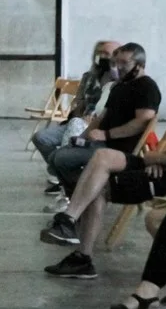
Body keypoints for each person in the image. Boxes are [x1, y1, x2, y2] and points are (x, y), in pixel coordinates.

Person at [40, 43, 160, 247]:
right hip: (100, 142)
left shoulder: (147, 87)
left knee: (62, 158)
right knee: (56, 157)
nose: (118, 67)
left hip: (118, 150)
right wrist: (83, 137)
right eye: (116, 63)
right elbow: (102, 117)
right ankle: (79, 203)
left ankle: (77, 209)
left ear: (139, 65)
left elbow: (142, 122)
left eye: (124, 63)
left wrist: (107, 134)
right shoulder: (119, 86)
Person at [33, 40, 120, 198]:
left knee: (73, 131)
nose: (103, 57)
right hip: (78, 120)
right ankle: (61, 174)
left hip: (98, 126)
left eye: (107, 54)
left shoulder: (119, 80)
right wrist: (80, 108)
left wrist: (93, 119)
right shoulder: (89, 77)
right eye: (100, 53)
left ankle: (63, 177)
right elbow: (78, 101)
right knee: (41, 137)